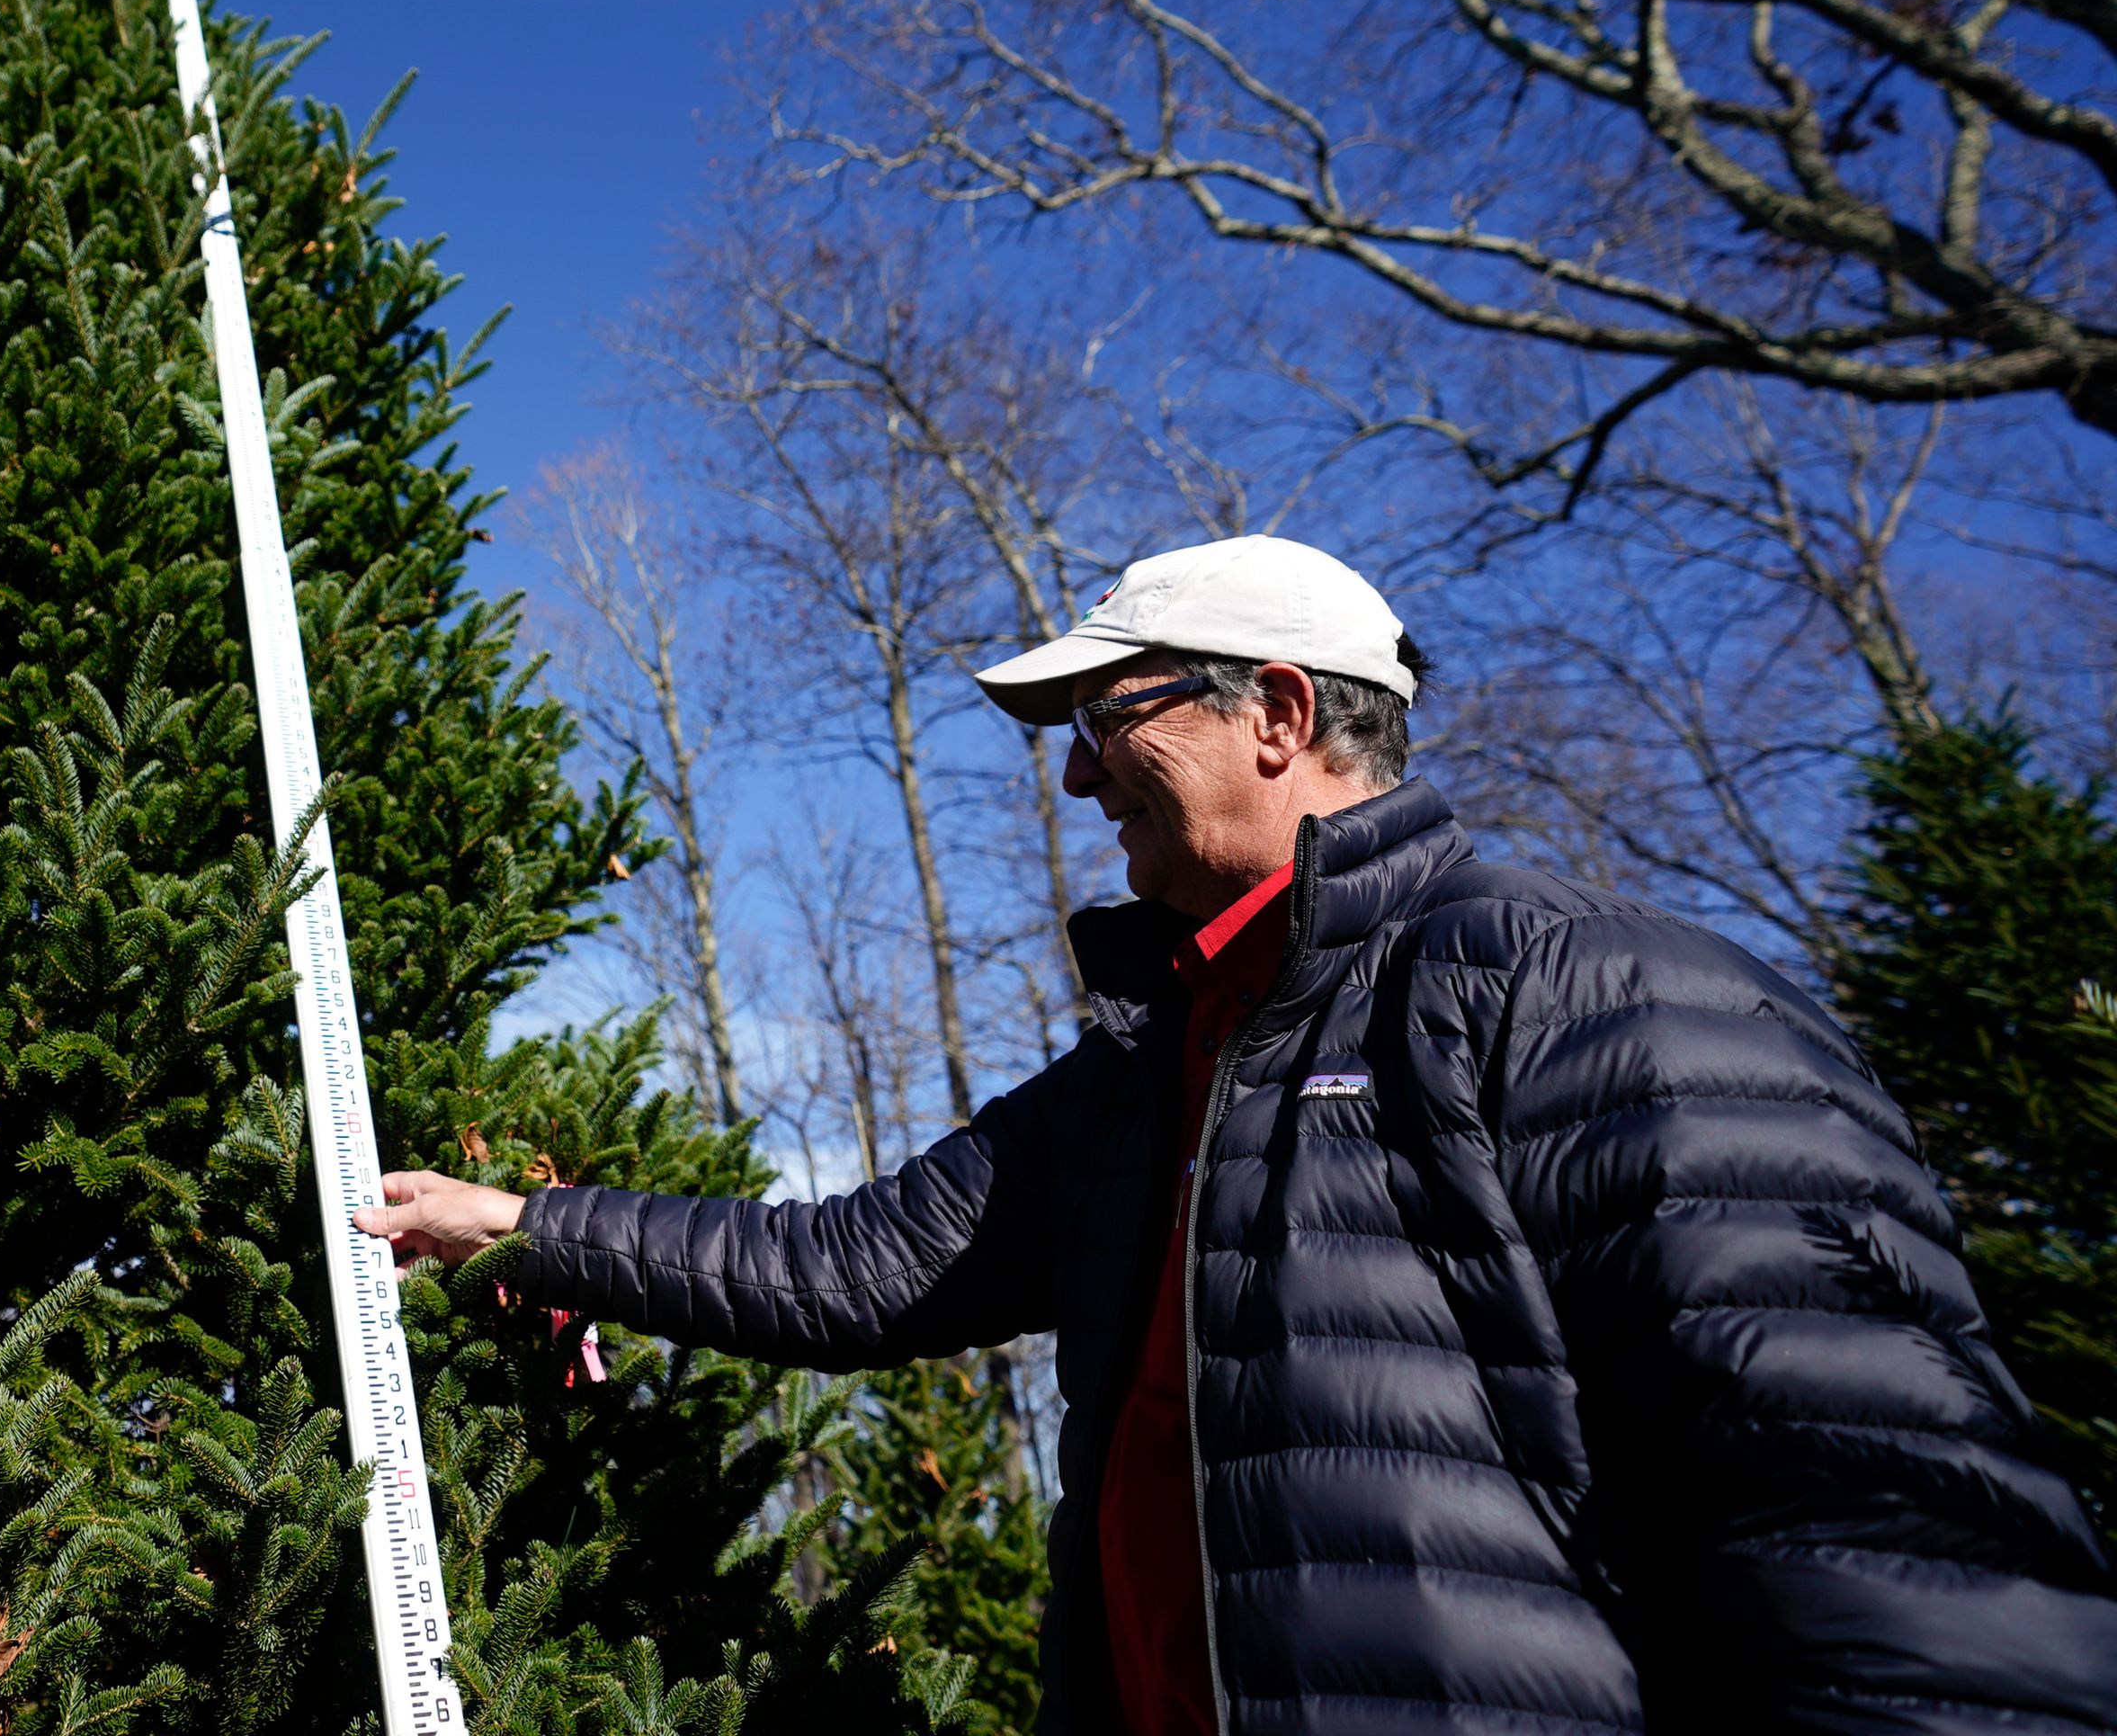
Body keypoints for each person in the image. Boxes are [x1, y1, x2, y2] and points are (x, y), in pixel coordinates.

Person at [355, 535, 2117, 1732]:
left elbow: (1879, 1514)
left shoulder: (1569, 988)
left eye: (1107, 716)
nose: (1073, 774)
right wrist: (528, 1223)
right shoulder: (1140, 1075)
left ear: (1277, 714)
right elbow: (862, 1260)